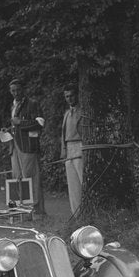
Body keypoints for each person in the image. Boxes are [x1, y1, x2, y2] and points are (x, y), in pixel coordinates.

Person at [6, 78, 45, 215]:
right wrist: (9, 130)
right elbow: (14, 125)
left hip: (28, 146)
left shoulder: (32, 104)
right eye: (13, 91)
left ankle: (37, 210)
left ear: (23, 90)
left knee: (31, 177)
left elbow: (40, 123)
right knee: (17, 176)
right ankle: (22, 209)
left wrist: (20, 123)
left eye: (18, 90)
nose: (15, 93)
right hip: (15, 146)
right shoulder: (13, 105)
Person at [60, 84, 85, 214]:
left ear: (77, 95)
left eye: (71, 95)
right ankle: (76, 213)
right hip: (69, 148)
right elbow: (63, 134)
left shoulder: (83, 111)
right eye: (67, 96)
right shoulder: (66, 113)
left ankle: (86, 211)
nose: (69, 99)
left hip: (80, 146)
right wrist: (63, 150)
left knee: (83, 181)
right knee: (73, 185)